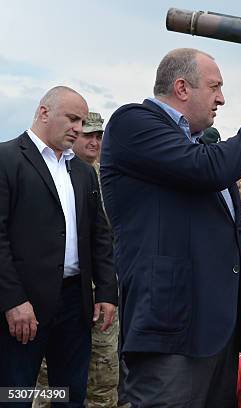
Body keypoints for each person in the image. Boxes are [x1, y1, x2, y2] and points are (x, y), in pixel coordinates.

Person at [100, 48, 241, 407]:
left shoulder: (199, 147)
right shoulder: (133, 123)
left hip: (217, 332)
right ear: (182, 88)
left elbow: (236, 238)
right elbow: (206, 168)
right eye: (214, 86)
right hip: (169, 332)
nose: (221, 97)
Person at [0, 86, 117, 406]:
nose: (79, 129)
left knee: (69, 395)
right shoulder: (7, 159)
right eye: (73, 119)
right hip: (23, 307)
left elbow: (99, 235)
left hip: (74, 306)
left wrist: (106, 291)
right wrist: (13, 301)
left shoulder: (81, 172)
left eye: (82, 121)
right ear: (43, 112)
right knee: (15, 394)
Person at [34, 111, 123, 408]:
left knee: (101, 377)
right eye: (89, 135)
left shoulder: (108, 177)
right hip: (56, 295)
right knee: (47, 381)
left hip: (100, 296)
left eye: (100, 136)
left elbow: (108, 238)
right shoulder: (46, 174)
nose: (95, 142)